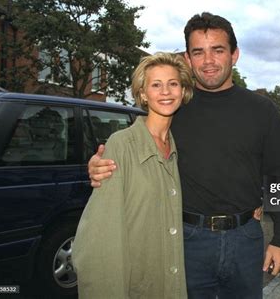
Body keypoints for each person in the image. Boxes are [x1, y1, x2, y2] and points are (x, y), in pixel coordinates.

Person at [88, 12, 280, 298]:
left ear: (234, 55)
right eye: (198, 52)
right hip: (185, 241)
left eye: (218, 50)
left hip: (246, 238)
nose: (208, 61)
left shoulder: (262, 111)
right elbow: (138, 144)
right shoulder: (173, 105)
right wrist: (99, 164)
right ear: (188, 58)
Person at [73, 52, 193, 298]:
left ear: (183, 91)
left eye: (173, 84)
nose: (166, 92)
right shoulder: (121, 144)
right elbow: (99, 239)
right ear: (142, 94)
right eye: (156, 85)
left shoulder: (176, 146)